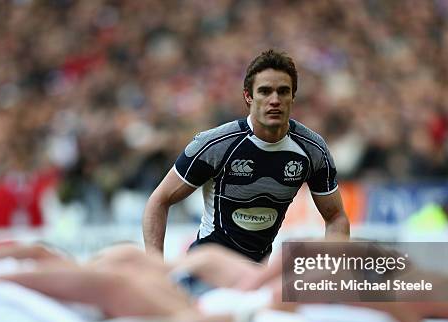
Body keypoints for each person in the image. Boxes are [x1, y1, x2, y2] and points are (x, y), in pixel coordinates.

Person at [143, 49, 350, 262]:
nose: (275, 100)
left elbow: (336, 216)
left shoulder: (312, 150)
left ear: (292, 97)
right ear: (248, 96)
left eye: (283, 91)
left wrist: (332, 267)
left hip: (255, 275)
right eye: (265, 91)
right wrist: (154, 266)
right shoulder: (216, 145)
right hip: (208, 267)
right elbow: (159, 200)